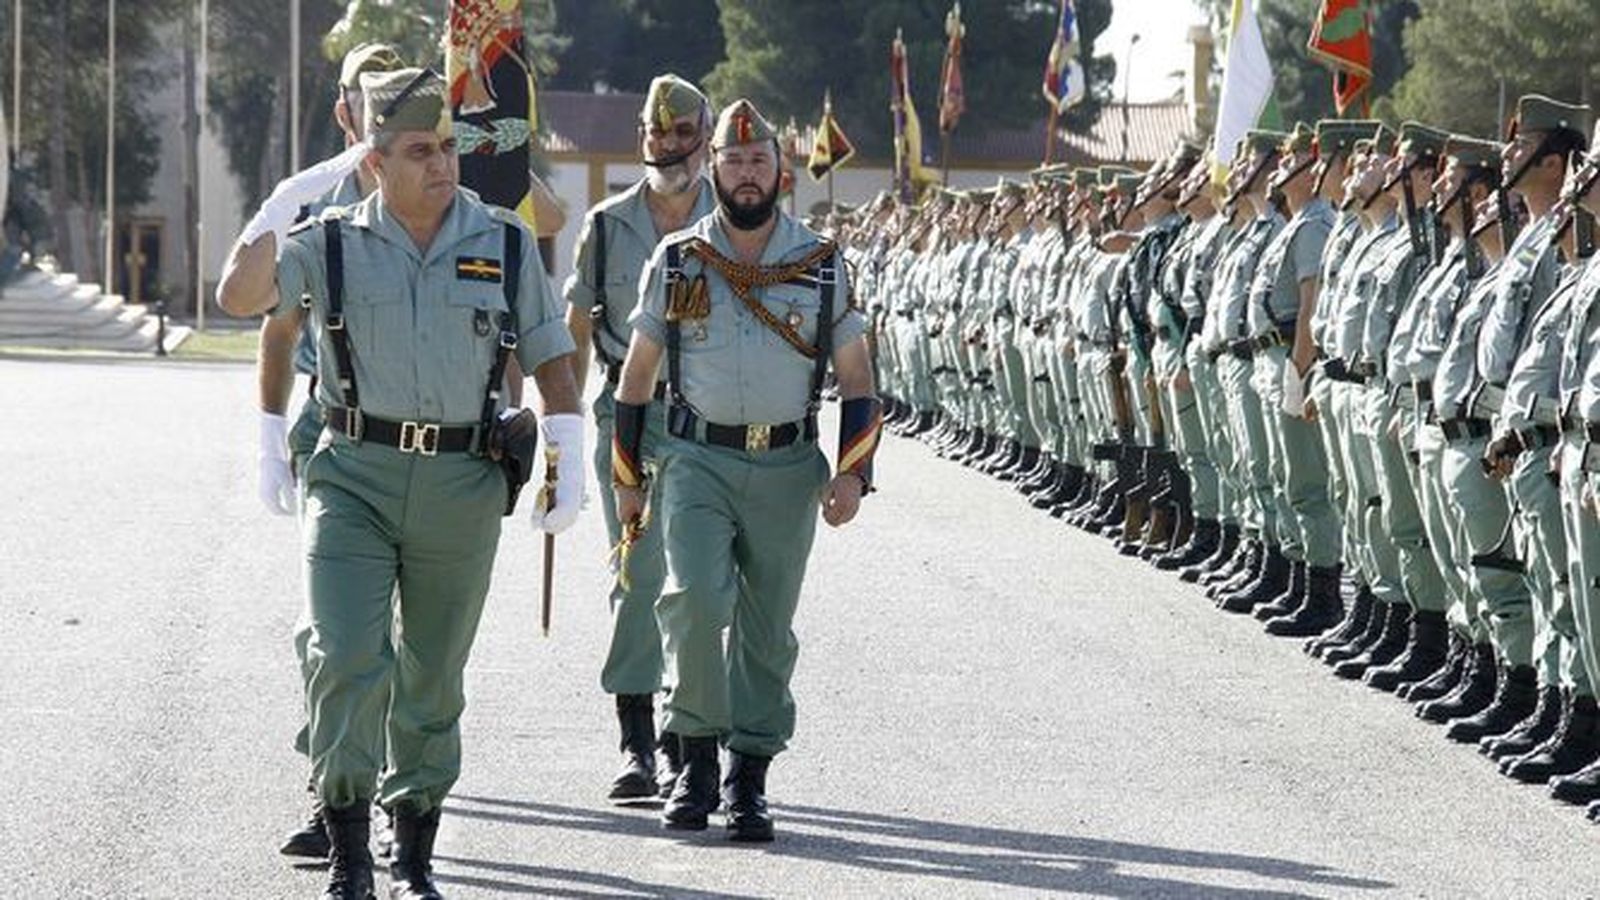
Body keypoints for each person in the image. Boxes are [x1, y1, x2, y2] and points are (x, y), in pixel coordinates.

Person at [218, 67, 583, 899]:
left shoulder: (503, 240)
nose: (443, 164)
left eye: (448, 147)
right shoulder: (328, 240)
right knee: (346, 656)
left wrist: (566, 452)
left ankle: (413, 853)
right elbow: (240, 296)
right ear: (375, 163)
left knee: (432, 678)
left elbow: (550, 354)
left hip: (461, 481)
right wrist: (283, 203)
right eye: (421, 151)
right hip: (353, 476)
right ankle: (349, 856)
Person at [611, 98, 879, 842]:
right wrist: (628, 478)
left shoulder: (821, 264)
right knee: (694, 601)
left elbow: (858, 376)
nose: (747, 173)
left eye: (759, 160)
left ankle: (748, 777)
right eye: (734, 162)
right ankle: (695, 762)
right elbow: (637, 377)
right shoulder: (680, 260)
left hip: (788, 465)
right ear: (714, 170)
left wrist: (853, 473)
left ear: (780, 171)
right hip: (697, 460)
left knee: (767, 626)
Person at [219, 40, 406, 861]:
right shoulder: (313, 199)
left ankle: (399, 789)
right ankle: (335, 787)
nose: (383, 111)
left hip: (429, 434)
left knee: (409, 634)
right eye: (370, 98)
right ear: (346, 111)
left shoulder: (437, 180)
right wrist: (269, 434)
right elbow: (259, 314)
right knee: (334, 630)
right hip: (332, 425)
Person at [563, 73, 717, 804]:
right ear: (642, 139)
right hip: (628, 416)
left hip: (708, 423)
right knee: (636, 573)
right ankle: (637, 741)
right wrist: (560, 428)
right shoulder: (605, 225)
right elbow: (575, 327)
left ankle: (690, 737)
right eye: (658, 133)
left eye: (683, 133)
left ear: (705, 140)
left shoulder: (734, 219)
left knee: (700, 584)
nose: (670, 146)